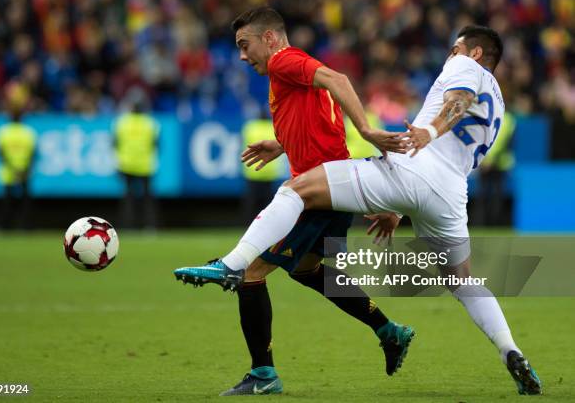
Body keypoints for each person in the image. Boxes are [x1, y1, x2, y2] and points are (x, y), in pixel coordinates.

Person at [176, 24, 542, 395]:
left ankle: (232, 268)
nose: (451, 54)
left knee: (294, 191)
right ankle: (509, 348)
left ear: (475, 53)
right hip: (448, 196)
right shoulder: (499, 103)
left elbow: (457, 99)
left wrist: (427, 133)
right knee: (462, 282)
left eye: (455, 48)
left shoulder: (467, 67)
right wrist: (396, 207)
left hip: (410, 167)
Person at [175, 7, 413, 396]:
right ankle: (390, 331)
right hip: (332, 190)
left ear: (269, 38)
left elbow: (338, 79)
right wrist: (281, 143)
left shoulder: (285, 60)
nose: (241, 55)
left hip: (317, 193)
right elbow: (322, 122)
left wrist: (367, 130)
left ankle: (263, 374)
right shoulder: (288, 72)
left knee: (251, 271)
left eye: (244, 44)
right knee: (306, 268)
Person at [113, 99, 159, 230]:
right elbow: (156, 144)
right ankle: (150, 226)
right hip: (145, 165)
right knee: (148, 198)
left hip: (126, 164)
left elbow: (115, 143)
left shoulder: (122, 122)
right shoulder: (150, 123)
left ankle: (127, 225)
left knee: (127, 198)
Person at [0, 106, 37, 230]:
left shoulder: (3, 132)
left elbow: (0, 153)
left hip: (8, 171)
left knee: (7, 202)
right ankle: (25, 226)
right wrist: (24, 169)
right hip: (25, 171)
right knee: (25, 202)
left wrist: (13, 168)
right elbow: (33, 153)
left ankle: (4, 226)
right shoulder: (28, 132)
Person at [240, 110, 283, 222]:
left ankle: (248, 224)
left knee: (251, 202)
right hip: (269, 172)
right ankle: (265, 223)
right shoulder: (273, 127)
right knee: (267, 203)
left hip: (253, 172)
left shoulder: (250, 127)